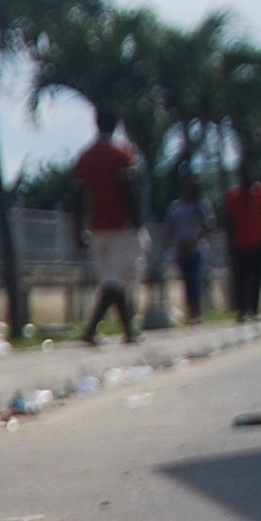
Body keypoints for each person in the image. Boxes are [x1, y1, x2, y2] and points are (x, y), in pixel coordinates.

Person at [72, 109, 144, 345]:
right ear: (116, 125)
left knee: (111, 280)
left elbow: (78, 196)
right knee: (115, 281)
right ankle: (91, 328)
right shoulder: (121, 153)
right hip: (120, 225)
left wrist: (78, 231)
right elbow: (127, 189)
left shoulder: (86, 156)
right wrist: (137, 223)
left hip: (96, 227)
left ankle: (129, 331)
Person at [225, 156, 261, 323]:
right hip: (240, 243)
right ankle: (242, 310)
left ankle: (254, 310)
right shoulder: (234, 196)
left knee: (257, 277)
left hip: (258, 242)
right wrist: (229, 243)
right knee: (241, 279)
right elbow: (229, 221)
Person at [163, 176, 211, 324]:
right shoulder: (175, 207)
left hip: (196, 250)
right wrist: (167, 246)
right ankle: (191, 313)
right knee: (186, 282)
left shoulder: (201, 206)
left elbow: (207, 226)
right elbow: (170, 228)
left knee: (195, 280)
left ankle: (197, 312)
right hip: (180, 250)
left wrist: (193, 242)